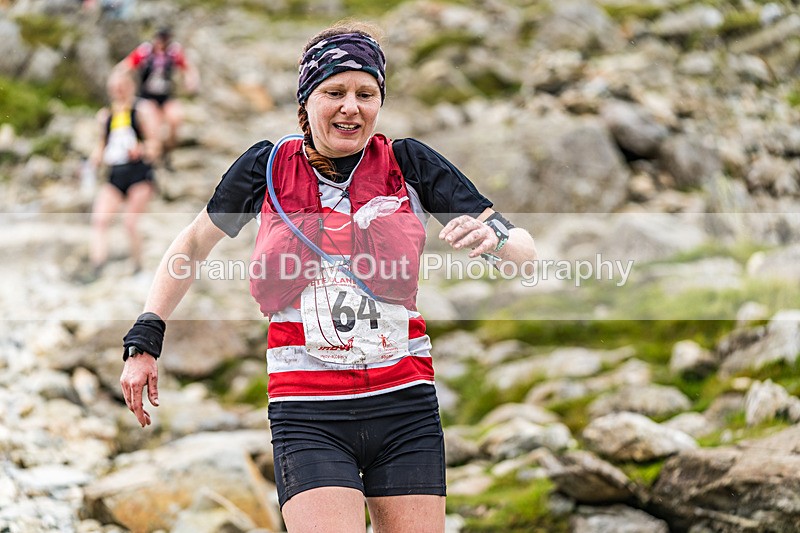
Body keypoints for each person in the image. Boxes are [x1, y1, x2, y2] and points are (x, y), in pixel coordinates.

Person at [119, 21, 536, 532]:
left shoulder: (411, 164)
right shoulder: (265, 169)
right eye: (334, 92)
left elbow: (526, 254)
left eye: (366, 93)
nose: (351, 107)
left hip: (405, 408)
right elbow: (190, 246)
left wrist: (494, 241)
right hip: (308, 414)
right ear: (307, 100)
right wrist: (146, 335)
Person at [87, 70, 160, 279]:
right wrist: (95, 159)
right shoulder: (106, 115)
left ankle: (137, 266)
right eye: (114, 87)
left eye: (122, 86)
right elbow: (102, 145)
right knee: (99, 220)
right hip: (115, 174)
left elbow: (156, 146)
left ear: (131, 86)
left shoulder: (142, 110)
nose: (118, 91)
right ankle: (97, 267)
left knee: (130, 222)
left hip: (139, 173)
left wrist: (142, 149)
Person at [115, 27, 199, 169]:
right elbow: (126, 65)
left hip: (166, 96)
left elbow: (189, 68)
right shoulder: (145, 52)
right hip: (147, 96)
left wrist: (191, 80)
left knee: (176, 118)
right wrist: (119, 81)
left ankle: (168, 151)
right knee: (154, 127)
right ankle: (155, 160)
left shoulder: (173, 52)